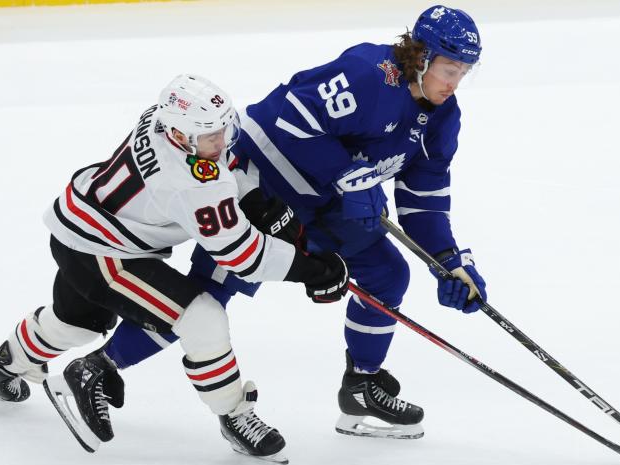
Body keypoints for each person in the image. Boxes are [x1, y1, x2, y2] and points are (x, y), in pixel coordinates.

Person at [92, 5, 486, 440]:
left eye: (464, 72)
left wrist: (448, 260)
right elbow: (290, 117)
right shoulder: (368, 75)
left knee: (388, 273)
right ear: (422, 56)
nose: (455, 83)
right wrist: (350, 176)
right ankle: (101, 366)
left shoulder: (443, 117)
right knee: (211, 295)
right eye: (450, 69)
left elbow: (424, 197)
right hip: (263, 186)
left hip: (330, 202)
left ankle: (361, 385)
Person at [0, 74, 350, 464]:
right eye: (211, 136)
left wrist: (250, 195)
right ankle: (234, 414)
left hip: (80, 225)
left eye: (224, 129)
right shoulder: (191, 183)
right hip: (105, 251)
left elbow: (221, 165)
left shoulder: (161, 118)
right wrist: (312, 269)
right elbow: (241, 256)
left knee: (76, 323)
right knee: (202, 318)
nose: (221, 141)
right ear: (179, 135)